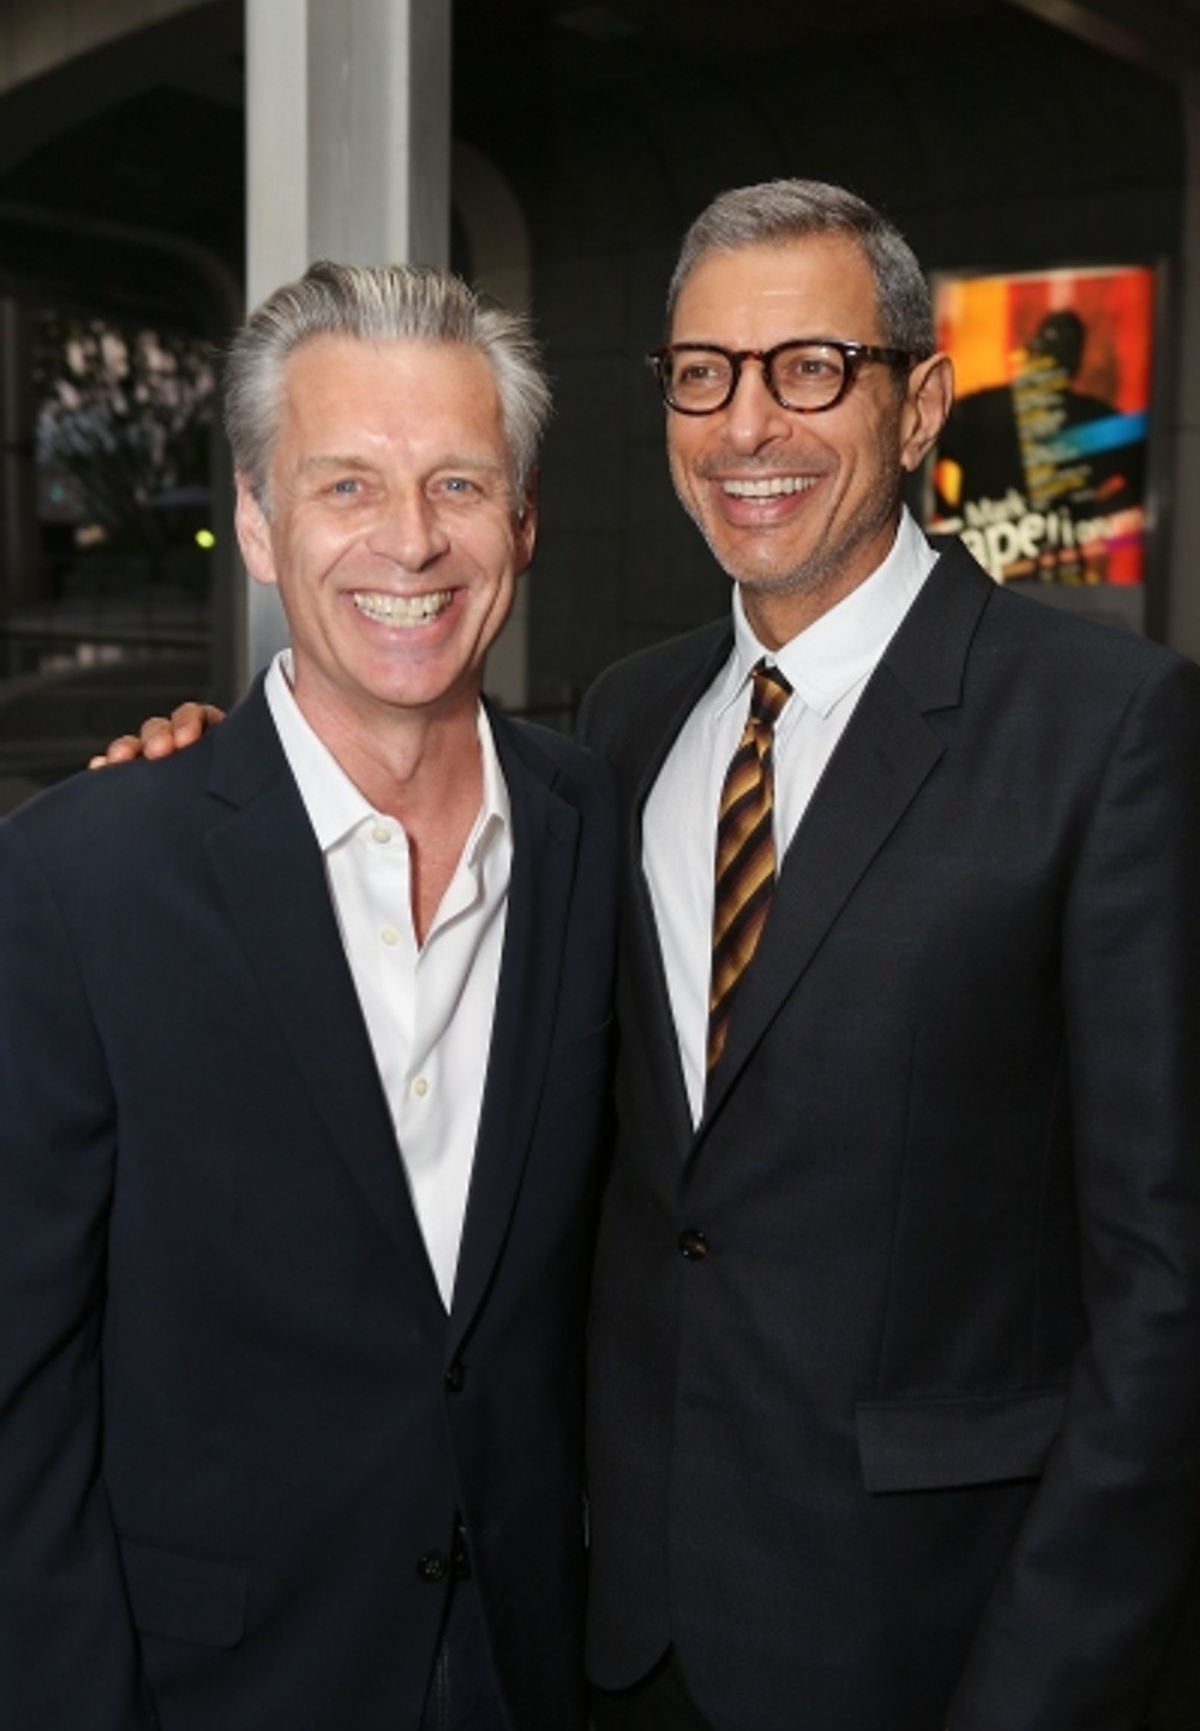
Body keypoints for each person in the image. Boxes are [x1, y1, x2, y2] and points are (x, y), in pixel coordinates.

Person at [97, 181, 1200, 1731]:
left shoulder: (1109, 731)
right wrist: (209, 772)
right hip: (618, 1640)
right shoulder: (618, 727)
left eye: (810, 367)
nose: (750, 426)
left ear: (919, 405)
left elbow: (1166, 1292)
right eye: (704, 374)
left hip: (935, 1646)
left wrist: (1045, 1688)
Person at [0, 261, 617, 1730]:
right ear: (263, 528)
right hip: (208, 1684)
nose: (411, 542)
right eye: (347, 486)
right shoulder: (82, 876)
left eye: (459, 485)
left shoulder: (600, 824)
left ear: (521, 524)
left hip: (530, 1672)